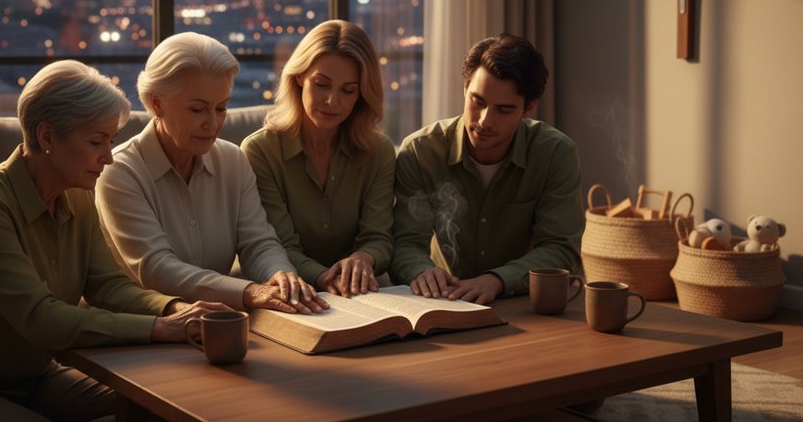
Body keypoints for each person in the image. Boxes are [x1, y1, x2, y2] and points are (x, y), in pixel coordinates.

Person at [0, 60, 226, 422]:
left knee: (161, 415)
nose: (109, 158)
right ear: (47, 135)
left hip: (34, 379)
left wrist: (176, 310)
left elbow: (108, 286)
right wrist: (159, 329)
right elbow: (40, 317)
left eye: (111, 141)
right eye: (96, 142)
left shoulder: (78, 194)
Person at [96, 32, 329, 314]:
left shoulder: (234, 161)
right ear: (156, 103)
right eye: (197, 109)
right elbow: (156, 268)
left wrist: (280, 276)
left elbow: (258, 243)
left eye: (221, 108)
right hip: (147, 329)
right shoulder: (119, 172)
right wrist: (249, 292)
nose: (213, 123)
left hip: (224, 321)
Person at [390, 34, 584, 305]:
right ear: (465, 88)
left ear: (528, 108)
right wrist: (421, 271)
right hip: (445, 301)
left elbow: (561, 249)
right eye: (477, 101)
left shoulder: (555, 154)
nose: (484, 121)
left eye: (503, 110)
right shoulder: (420, 152)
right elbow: (405, 242)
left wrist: (498, 280)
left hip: (524, 304)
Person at [241, 20, 395, 297]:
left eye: (348, 90)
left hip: (362, 294)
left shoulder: (379, 151)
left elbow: (379, 238)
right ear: (299, 77)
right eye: (322, 84)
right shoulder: (260, 152)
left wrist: (364, 258)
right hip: (293, 292)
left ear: (361, 94)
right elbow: (278, 246)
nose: (332, 101)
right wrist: (323, 277)